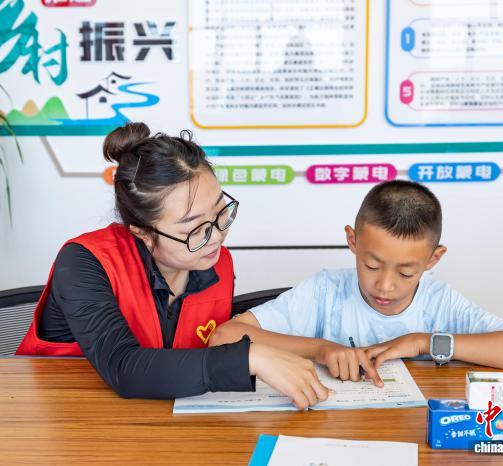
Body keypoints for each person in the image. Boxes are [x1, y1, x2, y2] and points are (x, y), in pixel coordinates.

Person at [17, 122, 331, 408]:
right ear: (142, 232)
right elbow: (124, 367)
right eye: (194, 229)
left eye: (221, 213)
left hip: (158, 420)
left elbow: (193, 361)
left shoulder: (217, 262)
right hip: (55, 415)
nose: (216, 237)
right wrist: (248, 358)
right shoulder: (84, 262)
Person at [209, 180, 503, 385]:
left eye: (405, 273)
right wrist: (320, 348)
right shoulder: (326, 291)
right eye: (371, 265)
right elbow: (224, 336)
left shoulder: (440, 301)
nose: (385, 286)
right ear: (352, 241)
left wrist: (422, 342)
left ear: (433, 259)